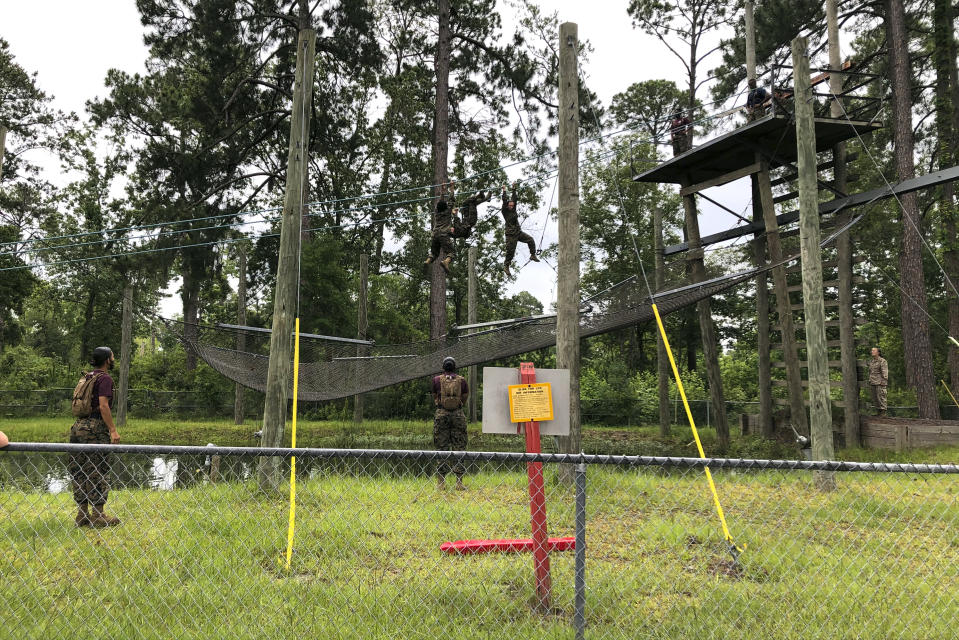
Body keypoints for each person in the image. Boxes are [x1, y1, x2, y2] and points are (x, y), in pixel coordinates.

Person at [69, 346, 121, 528]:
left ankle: (82, 515)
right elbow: (104, 406)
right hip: (95, 429)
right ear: (107, 359)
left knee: (79, 469)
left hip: (78, 427)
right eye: (112, 356)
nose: (114, 358)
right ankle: (98, 515)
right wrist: (113, 430)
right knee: (98, 469)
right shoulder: (104, 378)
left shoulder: (87, 376)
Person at [432, 356, 469, 491]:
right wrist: (458, 405)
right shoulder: (462, 380)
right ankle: (459, 483)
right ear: (455, 367)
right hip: (458, 415)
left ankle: (441, 483)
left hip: (441, 414)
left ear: (443, 367)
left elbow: (435, 396)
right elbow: (465, 397)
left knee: (441, 447)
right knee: (459, 447)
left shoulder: (436, 380)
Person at [501, 183, 539, 277]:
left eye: (512, 205)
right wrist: (504, 191)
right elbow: (505, 201)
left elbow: (514, 199)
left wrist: (514, 189)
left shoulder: (513, 209)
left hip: (518, 232)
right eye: (510, 205)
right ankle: (506, 266)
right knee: (510, 252)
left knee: (530, 239)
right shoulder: (505, 211)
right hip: (511, 235)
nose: (511, 206)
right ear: (507, 206)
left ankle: (533, 255)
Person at [424, 183, 456, 273]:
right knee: (452, 252)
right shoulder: (448, 211)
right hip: (443, 234)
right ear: (446, 207)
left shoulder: (437, 212)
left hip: (435, 234)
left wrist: (443, 190)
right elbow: (451, 199)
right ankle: (446, 262)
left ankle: (428, 261)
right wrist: (452, 187)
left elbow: (440, 202)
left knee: (434, 253)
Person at [868, 346, 889, 417]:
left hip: (880, 382)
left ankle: (883, 412)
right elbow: (870, 371)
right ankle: (878, 412)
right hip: (872, 381)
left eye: (874, 350)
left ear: (878, 352)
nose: (872, 352)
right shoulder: (872, 361)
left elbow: (885, 372)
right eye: (872, 350)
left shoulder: (882, 361)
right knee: (875, 398)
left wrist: (884, 381)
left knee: (881, 397)